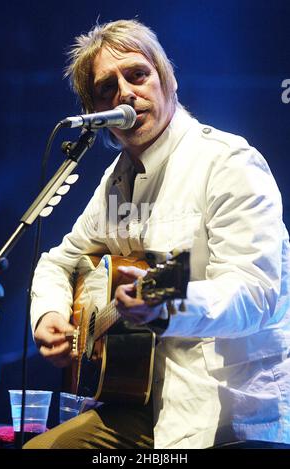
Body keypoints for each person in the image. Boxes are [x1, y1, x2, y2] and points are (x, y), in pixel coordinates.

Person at [25, 19, 290, 449]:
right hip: (141, 401)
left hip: (228, 415)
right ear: (96, 114)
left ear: (167, 81)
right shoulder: (117, 181)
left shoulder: (227, 162)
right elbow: (60, 259)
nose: (125, 93)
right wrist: (52, 315)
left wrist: (164, 299)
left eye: (137, 74)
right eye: (106, 87)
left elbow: (255, 290)